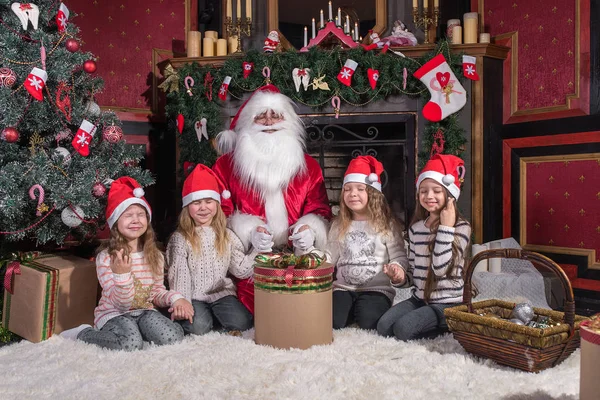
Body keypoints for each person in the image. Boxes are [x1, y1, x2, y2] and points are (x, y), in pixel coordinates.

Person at [213, 84, 332, 313]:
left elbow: (321, 209)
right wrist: (248, 232)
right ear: (248, 123)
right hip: (251, 258)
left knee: (307, 306)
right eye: (261, 117)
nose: (269, 122)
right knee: (256, 311)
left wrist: (310, 229)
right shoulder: (225, 166)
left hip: (298, 255)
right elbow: (220, 213)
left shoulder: (309, 166)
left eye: (276, 115)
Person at [60, 177, 194, 351]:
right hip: (115, 313)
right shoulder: (106, 257)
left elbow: (156, 293)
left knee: (173, 337)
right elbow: (120, 304)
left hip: (145, 312)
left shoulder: (154, 255)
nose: (136, 220)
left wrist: (176, 299)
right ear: (115, 222)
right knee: (130, 344)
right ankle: (83, 333)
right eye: (128, 215)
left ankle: (140, 329)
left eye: (140, 215)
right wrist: (122, 275)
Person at [377, 154, 471, 341]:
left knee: (403, 329)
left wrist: (445, 228)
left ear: (450, 195)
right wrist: (400, 276)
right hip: (420, 299)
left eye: (436, 190)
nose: (429, 196)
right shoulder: (416, 229)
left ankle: (451, 324)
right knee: (383, 326)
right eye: (423, 191)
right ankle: (424, 318)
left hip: (447, 303)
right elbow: (413, 275)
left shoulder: (461, 228)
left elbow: (440, 268)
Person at [166, 164, 255, 335]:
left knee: (243, 322)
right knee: (197, 327)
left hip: (221, 294)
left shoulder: (226, 235)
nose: (203, 208)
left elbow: (241, 269)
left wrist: (259, 248)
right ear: (187, 208)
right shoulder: (180, 238)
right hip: (193, 296)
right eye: (197, 203)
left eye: (209, 202)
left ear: (217, 204)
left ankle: (214, 315)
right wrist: (181, 300)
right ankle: (204, 317)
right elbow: (179, 275)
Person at [325, 156, 409, 330]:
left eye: (360, 189)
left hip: (376, 289)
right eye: (347, 189)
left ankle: (363, 308)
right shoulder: (338, 225)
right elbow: (329, 256)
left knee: (369, 321)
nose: (352, 194)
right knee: (333, 321)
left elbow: (399, 255)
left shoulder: (386, 225)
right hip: (343, 287)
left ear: (373, 193)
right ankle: (348, 307)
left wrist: (397, 269)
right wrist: (316, 262)